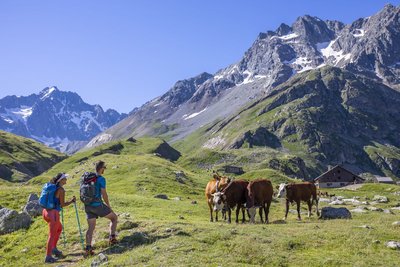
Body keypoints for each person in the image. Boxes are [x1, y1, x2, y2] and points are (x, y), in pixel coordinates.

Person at [84, 160, 118, 256]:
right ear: (101, 168)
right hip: (97, 205)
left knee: (91, 228)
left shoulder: (88, 179)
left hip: (87, 206)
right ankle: (112, 238)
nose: (104, 170)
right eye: (104, 168)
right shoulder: (101, 179)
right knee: (114, 218)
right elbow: (104, 194)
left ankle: (88, 249)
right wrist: (109, 206)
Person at [42, 173, 76, 264]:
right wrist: (71, 201)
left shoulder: (52, 187)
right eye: (64, 178)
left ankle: (54, 248)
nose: (66, 180)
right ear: (60, 180)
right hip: (53, 214)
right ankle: (48, 257)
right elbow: (62, 204)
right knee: (52, 234)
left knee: (59, 228)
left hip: (46, 212)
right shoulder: (61, 190)